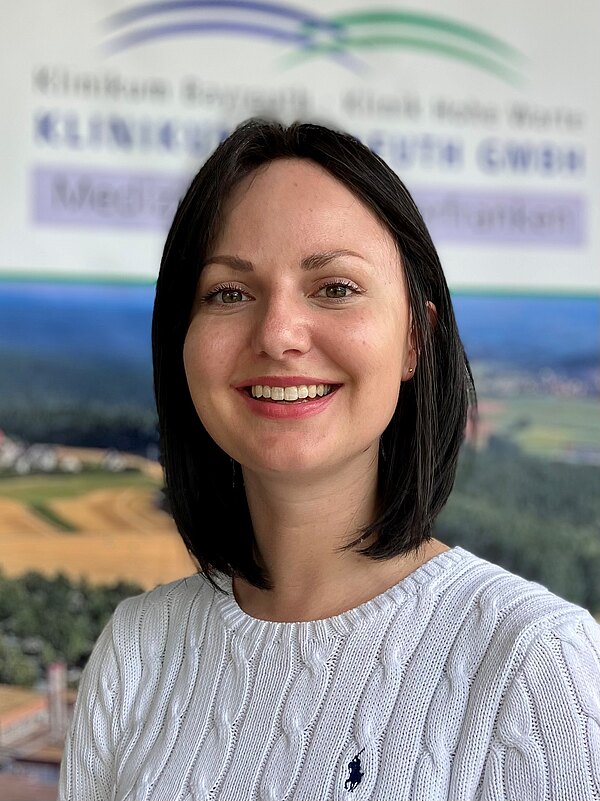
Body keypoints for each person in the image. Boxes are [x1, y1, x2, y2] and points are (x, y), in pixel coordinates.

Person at [59, 119, 600, 801]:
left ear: (414, 338)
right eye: (229, 292)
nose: (279, 333)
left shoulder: (535, 663)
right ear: (181, 341)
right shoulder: (137, 651)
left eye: (335, 288)